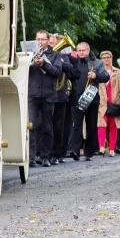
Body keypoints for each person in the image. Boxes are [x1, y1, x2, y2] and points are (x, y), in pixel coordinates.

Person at [66, 42, 110, 161]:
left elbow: (106, 76)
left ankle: (89, 152)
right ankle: (74, 151)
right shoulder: (73, 62)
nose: (81, 53)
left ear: (88, 51)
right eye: (79, 50)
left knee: (91, 126)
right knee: (77, 125)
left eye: (83, 51)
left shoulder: (97, 63)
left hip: (92, 99)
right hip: (76, 98)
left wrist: (96, 76)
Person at [27, 30, 63, 167]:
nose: (40, 42)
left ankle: (45, 156)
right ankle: (31, 157)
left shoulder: (55, 55)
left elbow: (57, 72)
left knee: (48, 127)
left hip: (48, 95)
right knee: (32, 126)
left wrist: (44, 64)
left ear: (48, 40)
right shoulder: (29, 54)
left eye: (43, 39)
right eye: (38, 39)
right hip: (33, 94)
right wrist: (30, 62)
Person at [47, 34, 80, 164]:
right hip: (48, 93)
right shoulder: (46, 55)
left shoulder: (68, 57)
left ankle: (59, 152)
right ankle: (45, 152)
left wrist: (60, 63)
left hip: (63, 94)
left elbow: (74, 73)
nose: (55, 45)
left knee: (62, 126)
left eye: (58, 42)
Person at [96, 51, 120, 157]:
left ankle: (112, 149)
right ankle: (101, 147)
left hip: (114, 102)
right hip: (102, 102)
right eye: (104, 58)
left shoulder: (117, 71)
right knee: (101, 124)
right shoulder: (98, 71)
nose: (106, 59)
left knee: (113, 126)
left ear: (111, 58)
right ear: (101, 59)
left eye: (108, 57)